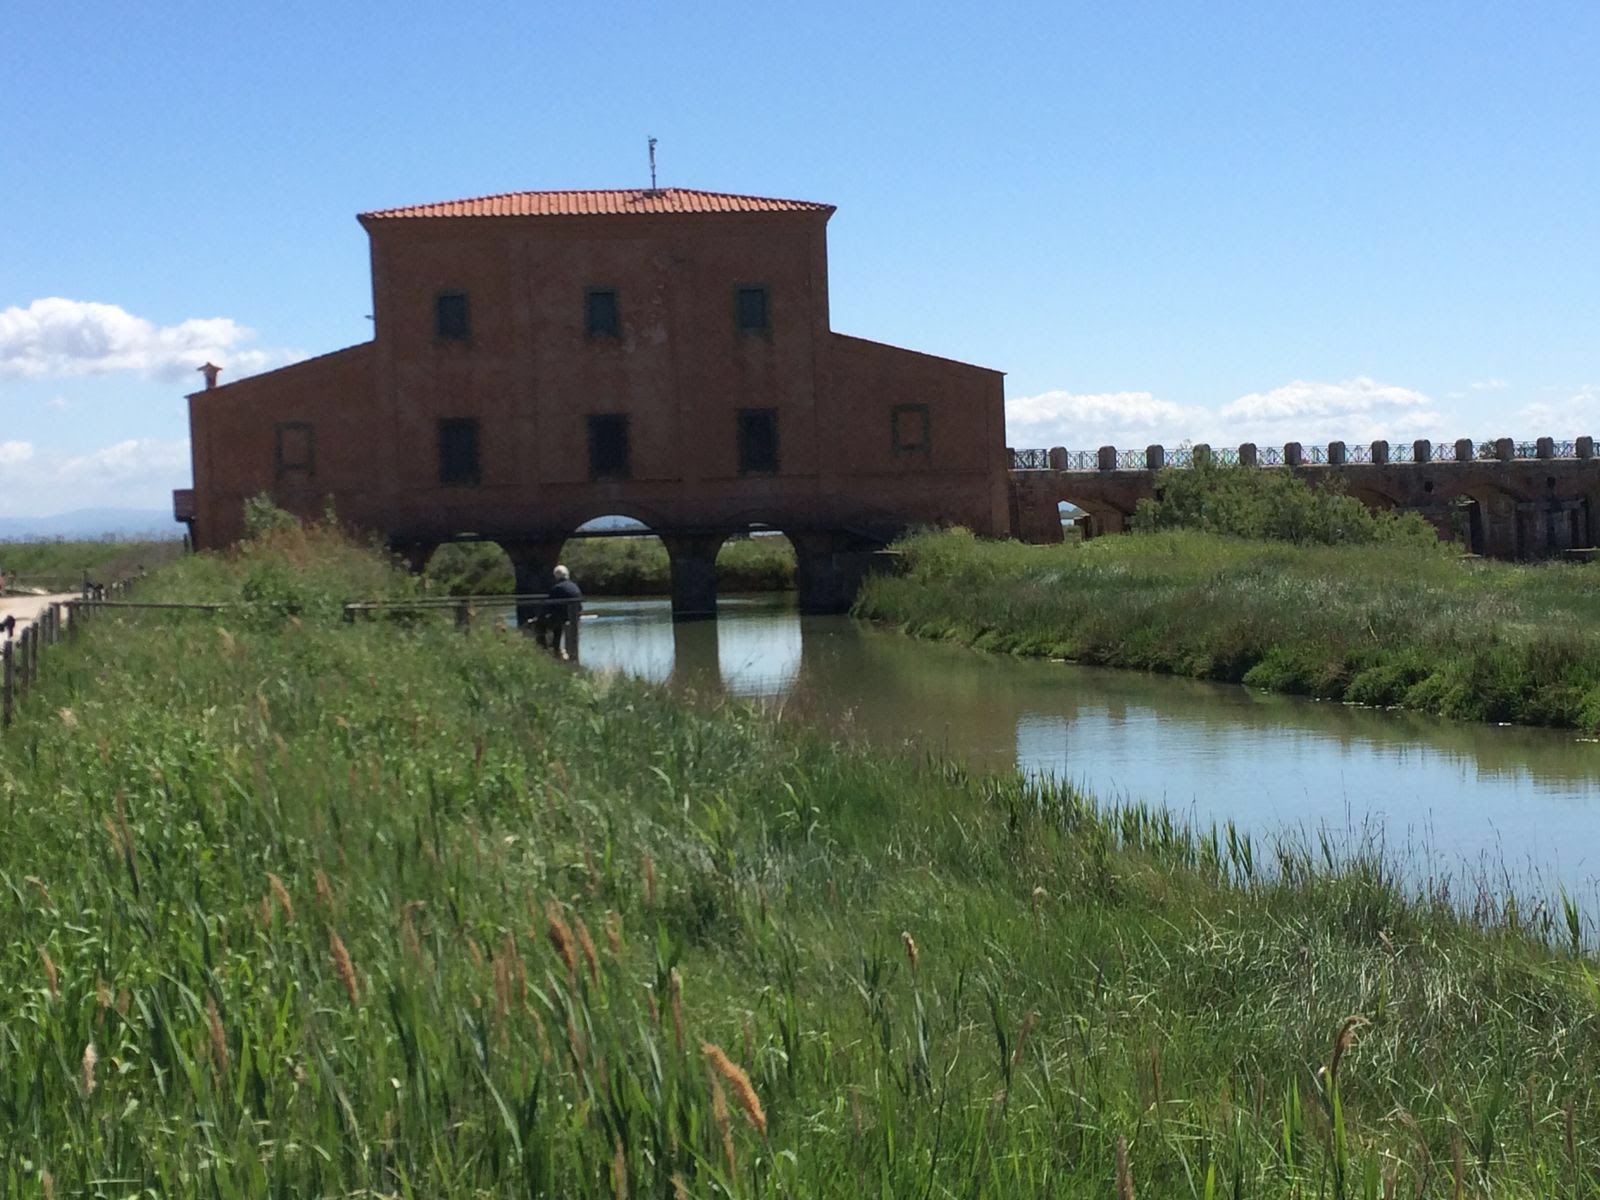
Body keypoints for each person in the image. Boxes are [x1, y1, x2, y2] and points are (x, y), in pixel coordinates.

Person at [536, 564, 583, 656]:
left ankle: (546, 648)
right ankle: (559, 649)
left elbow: (548, 606)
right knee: (556, 623)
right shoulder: (574, 586)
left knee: (541, 624)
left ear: (556, 576)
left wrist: (540, 617)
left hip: (563, 617)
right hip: (574, 616)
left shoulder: (557, 588)